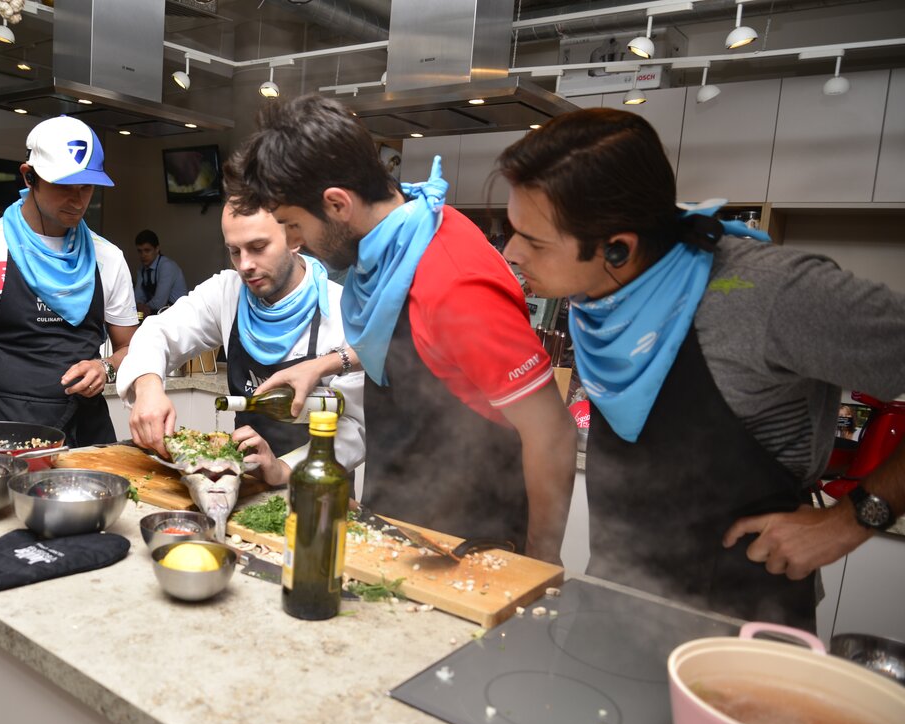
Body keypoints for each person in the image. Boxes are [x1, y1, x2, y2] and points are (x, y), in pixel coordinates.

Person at [497, 107, 905, 627]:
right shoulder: (601, 299)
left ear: (618, 249)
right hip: (617, 603)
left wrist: (853, 519)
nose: (511, 252)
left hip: (740, 624)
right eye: (512, 230)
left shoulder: (768, 295)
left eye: (534, 241)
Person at [227, 94, 576, 562]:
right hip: (405, 520)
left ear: (337, 204)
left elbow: (551, 433)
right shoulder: (397, 247)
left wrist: (540, 564)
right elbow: (422, 347)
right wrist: (327, 363)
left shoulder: (455, 282)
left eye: (293, 225)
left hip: (472, 541)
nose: (295, 243)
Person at [119, 201, 364, 485]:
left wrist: (283, 468)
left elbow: (354, 426)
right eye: (235, 251)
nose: (245, 265)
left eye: (258, 247)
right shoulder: (227, 292)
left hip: (318, 487)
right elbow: (158, 331)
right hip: (246, 483)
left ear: (295, 238)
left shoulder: (343, 310)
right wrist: (148, 387)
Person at [0, 115, 139, 447]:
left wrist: (107, 368)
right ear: (29, 176)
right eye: (64, 186)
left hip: (86, 429)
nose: (78, 200)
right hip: (4, 425)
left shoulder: (108, 257)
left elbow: (130, 348)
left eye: (86, 187)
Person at [133, 229, 187, 315]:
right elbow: (137, 298)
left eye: (147, 250)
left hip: (178, 314)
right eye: (140, 251)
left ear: (157, 249)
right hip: (158, 312)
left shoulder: (167, 266)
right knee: (135, 316)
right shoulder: (141, 270)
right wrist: (139, 306)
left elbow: (159, 303)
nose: (143, 255)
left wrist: (142, 308)